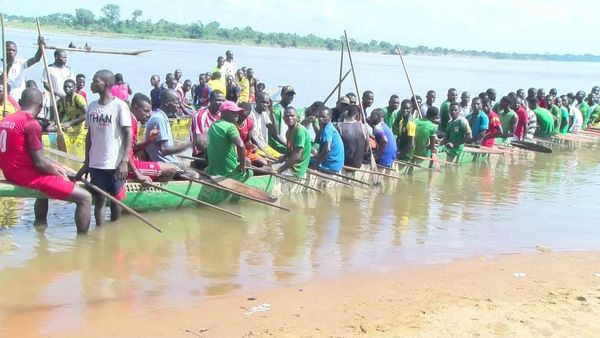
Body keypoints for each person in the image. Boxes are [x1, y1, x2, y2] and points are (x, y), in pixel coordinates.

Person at [0, 88, 92, 232]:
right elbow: (39, 163)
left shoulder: (6, 119)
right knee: (85, 198)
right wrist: (60, 174)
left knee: (53, 170)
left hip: (9, 172)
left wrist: (55, 166)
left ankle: (40, 227)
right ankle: (83, 245)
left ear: (20, 102)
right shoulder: (31, 123)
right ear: (41, 106)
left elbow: (31, 156)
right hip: (24, 176)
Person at [75, 69, 132, 226]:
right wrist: (87, 162)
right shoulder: (92, 107)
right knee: (99, 200)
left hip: (115, 163)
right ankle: (101, 234)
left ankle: (115, 227)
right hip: (96, 164)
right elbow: (89, 136)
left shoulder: (119, 106)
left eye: (95, 81)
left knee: (115, 201)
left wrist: (124, 161)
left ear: (106, 84)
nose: (91, 84)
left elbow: (128, 133)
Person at [127, 93, 179, 182]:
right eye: (146, 111)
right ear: (135, 107)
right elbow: (125, 152)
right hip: (128, 167)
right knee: (172, 169)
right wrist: (138, 174)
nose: (149, 114)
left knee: (144, 153)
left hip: (130, 164)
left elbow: (133, 148)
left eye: (149, 111)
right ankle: (135, 181)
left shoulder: (133, 120)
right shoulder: (130, 122)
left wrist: (149, 141)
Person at [144, 89, 190, 171]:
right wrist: (190, 144)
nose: (179, 106)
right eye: (176, 103)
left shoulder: (162, 117)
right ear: (167, 103)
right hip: (165, 165)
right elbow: (165, 150)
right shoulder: (159, 119)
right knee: (196, 176)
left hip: (168, 162)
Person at [206, 101, 250, 181]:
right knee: (248, 163)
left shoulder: (213, 125)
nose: (237, 114)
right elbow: (240, 146)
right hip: (228, 173)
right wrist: (243, 165)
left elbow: (207, 147)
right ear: (224, 113)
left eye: (238, 112)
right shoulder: (230, 127)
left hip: (212, 172)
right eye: (233, 112)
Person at [274, 106, 311, 177]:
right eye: (287, 116)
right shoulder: (288, 132)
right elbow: (288, 153)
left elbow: (297, 156)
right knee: (268, 166)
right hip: (291, 166)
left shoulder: (300, 131)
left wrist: (278, 170)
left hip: (296, 170)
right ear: (283, 118)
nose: (290, 118)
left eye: (292, 116)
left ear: (296, 117)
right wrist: (277, 163)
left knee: (267, 169)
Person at [190, 90, 225, 165]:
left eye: (223, 100)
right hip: (201, 154)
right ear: (210, 100)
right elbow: (199, 143)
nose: (221, 103)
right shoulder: (200, 115)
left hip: (217, 151)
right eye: (218, 100)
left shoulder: (221, 115)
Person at [250, 92, 284, 160]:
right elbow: (253, 138)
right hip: (257, 148)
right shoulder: (251, 115)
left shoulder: (264, 114)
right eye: (263, 102)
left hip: (265, 147)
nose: (265, 105)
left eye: (267, 103)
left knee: (284, 157)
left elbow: (275, 132)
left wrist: (271, 111)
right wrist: (266, 152)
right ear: (256, 101)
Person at [311, 106, 344, 173]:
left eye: (323, 117)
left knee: (303, 160)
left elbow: (327, 149)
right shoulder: (329, 127)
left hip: (330, 165)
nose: (320, 119)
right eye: (319, 116)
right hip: (336, 164)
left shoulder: (327, 129)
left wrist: (315, 165)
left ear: (330, 117)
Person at [237, 102, 268, 167]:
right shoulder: (233, 122)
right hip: (234, 150)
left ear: (249, 113)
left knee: (264, 163)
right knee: (247, 163)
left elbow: (247, 141)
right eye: (241, 114)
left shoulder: (250, 122)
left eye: (245, 115)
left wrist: (252, 146)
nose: (242, 117)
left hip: (244, 150)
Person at [271, 86, 300, 153]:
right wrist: (289, 146)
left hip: (286, 143)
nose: (290, 97)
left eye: (291, 95)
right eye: (287, 94)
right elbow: (275, 134)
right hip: (278, 145)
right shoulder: (276, 111)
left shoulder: (289, 110)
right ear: (281, 95)